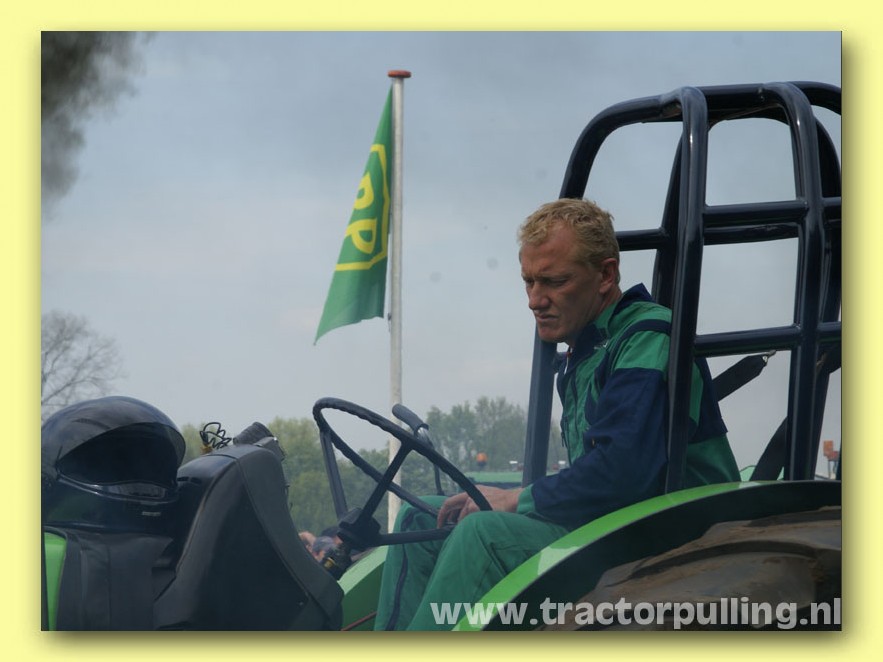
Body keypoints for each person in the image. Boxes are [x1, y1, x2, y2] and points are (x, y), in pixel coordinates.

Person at [373, 198, 740, 630]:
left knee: (482, 534)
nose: (534, 300)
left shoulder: (647, 338)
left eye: (554, 281)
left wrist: (517, 499)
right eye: (528, 281)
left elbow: (622, 473)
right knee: (419, 517)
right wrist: (515, 497)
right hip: (612, 524)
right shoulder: (585, 351)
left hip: (674, 533)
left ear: (606, 275)